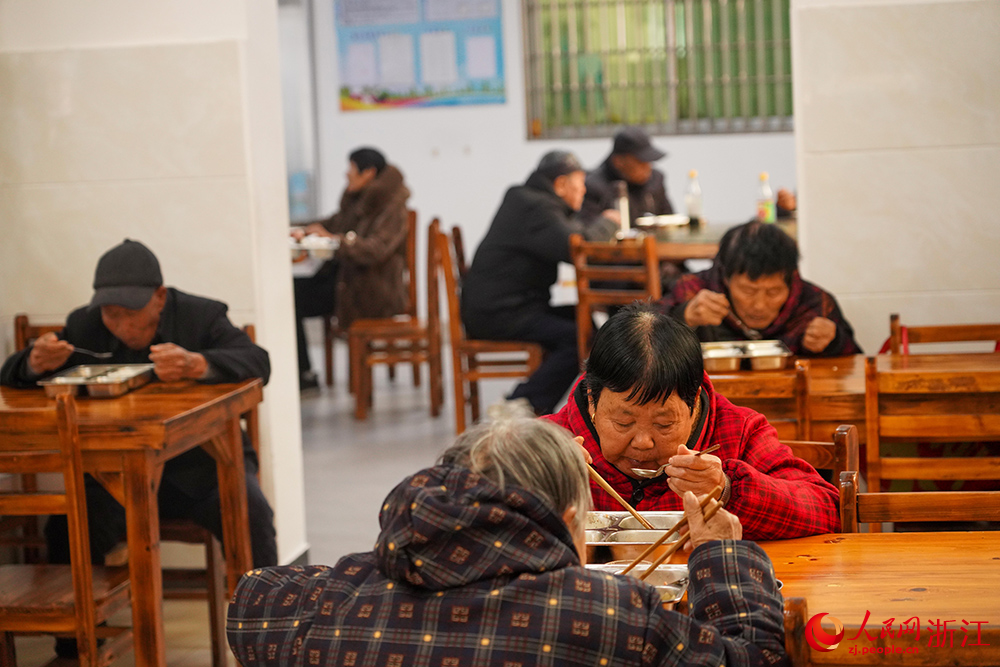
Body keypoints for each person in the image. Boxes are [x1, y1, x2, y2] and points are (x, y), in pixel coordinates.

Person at [227, 414, 789, 667]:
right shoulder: (611, 615)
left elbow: (250, 599)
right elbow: (756, 657)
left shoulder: (339, 596)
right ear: (568, 517)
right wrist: (722, 554)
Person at [0, 239, 278, 572]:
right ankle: (81, 622)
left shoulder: (200, 316)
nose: (120, 325)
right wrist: (34, 361)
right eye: (110, 314)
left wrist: (197, 364)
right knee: (66, 526)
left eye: (130, 313)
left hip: (204, 469)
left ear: (159, 296)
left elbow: (258, 362)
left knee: (251, 510)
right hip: (115, 477)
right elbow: (13, 374)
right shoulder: (86, 325)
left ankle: (272, 614)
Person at [544, 302, 840, 540]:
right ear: (593, 400)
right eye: (623, 423)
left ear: (694, 402)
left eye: (663, 425)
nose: (643, 443)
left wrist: (728, 490)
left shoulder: (737, 431)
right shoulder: (552, 441)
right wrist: (536, 486)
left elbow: (827, 509)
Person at [461, 151, 599, 416]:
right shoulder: (537, 207)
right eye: (579, 182)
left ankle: (579, 405)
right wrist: (607, 224)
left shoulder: (528, 200)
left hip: (510, 306)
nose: (583, 190)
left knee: (584, 322)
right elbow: (577, 248)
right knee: (576, 335)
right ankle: (520, 404)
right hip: (500, 313)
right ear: (560, 184)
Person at [291, 147, 410, 390]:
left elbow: (375, 249)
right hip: (346, 281)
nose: (347, 175)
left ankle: (303, 376)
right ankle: (302, 373)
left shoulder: (392, 207)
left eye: (351, 169)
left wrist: (335, 240)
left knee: (293, 299)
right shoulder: (359, 199)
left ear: (368, 173)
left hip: (372, 290)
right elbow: (334, 223)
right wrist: (303, 229)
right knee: (289, 293)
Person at [659, 221, 862, 356]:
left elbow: (855, 361)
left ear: (791, 281)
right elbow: (637, 346)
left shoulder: (813, 303)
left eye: (773, 292)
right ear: (726, 279)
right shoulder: (694, 292)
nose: (759, 305)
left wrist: (834, 342)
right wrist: (681, 317)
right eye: (748, 291)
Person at [578, 126, 674, 231]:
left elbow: (669, 218)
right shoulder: (593, 187)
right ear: (619, 161)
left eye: (649, 161)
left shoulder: (655, 179)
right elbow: (589, 233)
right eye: (641, 162)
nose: (648, 168)